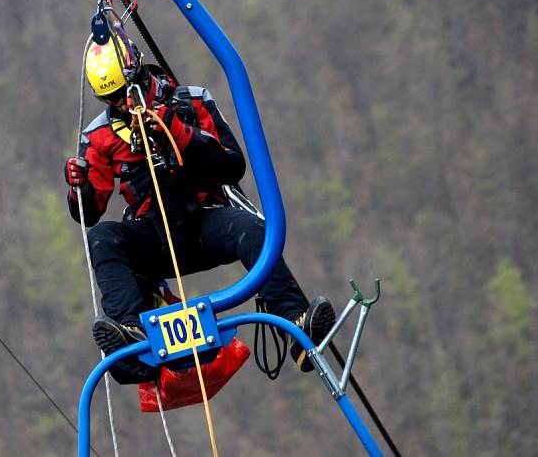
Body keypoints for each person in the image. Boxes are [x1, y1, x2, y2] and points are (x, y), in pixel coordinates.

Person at [65, 36, 335, 383]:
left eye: (123, 93)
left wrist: (176, 132)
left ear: (138, 76)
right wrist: (80, 187)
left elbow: (232, 165)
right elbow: (89, 212)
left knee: (253, 229)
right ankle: (133, 337)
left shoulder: (191, 102)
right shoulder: (100, 135)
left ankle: (298, 328)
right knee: (102, 238)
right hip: (155, 235)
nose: (119, 103)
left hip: (205, 221)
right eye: (109, 98)